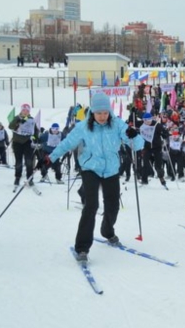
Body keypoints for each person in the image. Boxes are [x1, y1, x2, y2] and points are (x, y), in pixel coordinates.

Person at [48, 92, 144, 262]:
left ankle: (107, 231)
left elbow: (137, 146)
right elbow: (67, 144)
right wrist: (50, 158)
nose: (102, 116)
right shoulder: (83, 127)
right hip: (90, 169)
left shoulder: (117, 125)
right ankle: (82, 247)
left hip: (111, 170)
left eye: (105, 112)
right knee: (91, 205)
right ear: (92, 111)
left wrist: (133, 135)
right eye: (99, 113)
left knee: (113, 206)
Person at [9, 103, 40, 186]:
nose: (25, 112)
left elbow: (35, 131)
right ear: (21, 111)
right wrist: (18, 121)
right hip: (17, 142)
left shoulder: (31, 119)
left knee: (29, 161)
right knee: (18, 161)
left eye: (27, 111)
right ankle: (17, 177)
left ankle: (29, 178)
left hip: (27, 142)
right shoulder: (17, 117)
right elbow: (10, 126)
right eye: (24, 110)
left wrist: (35, 138)